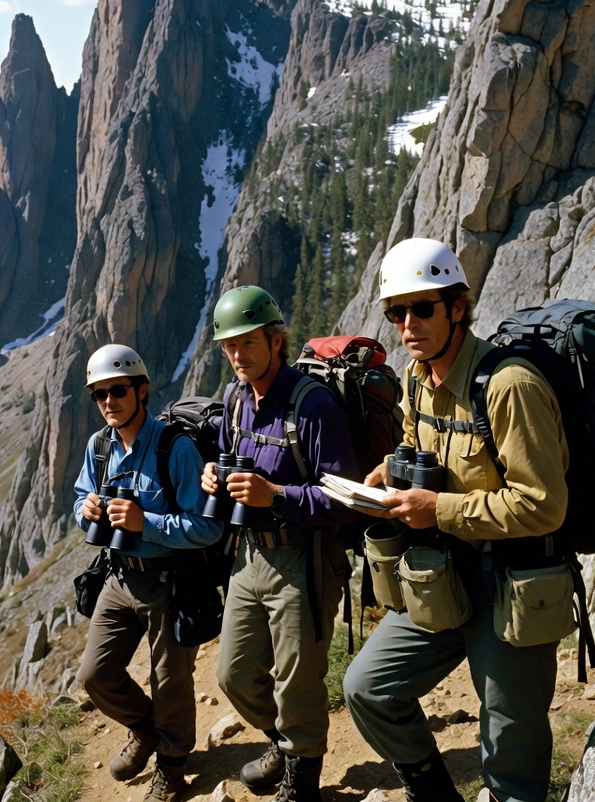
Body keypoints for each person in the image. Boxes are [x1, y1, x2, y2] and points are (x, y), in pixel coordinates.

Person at [343, 238, 569, 802]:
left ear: (457, 308)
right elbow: (419, 449)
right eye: (398, 312)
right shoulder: (419, 379)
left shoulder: (509, 386)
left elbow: (544, 505)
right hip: (442, 578)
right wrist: (387, 473)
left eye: (423, 308)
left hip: (511, 586)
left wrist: (438, 509)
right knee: (368, 687)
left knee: (509, 745)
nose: (408, 324)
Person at [199, 285, 360, 802]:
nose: (238, 356)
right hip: (250, 555)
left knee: (297, 681)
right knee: (234, 674)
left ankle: (302, 781)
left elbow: (345, 497)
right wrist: (213, 476)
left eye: (247, 343)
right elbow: (229, 453)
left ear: (275, 339)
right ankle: (285, 744)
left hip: (304, 557)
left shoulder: (312, 407)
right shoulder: (235, 399)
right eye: (229, 346)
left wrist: (278, 495)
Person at [73, 344, 223, 802]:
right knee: (95, 675)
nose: (108, 402)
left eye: (117, 391)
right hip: (118, 578)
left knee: (170, 682)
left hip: (167, 581)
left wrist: (146, 524)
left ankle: (173, 766)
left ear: (141, 390)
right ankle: (145, 730)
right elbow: (80, 498)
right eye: (99, 394)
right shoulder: (99, 447)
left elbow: (208, 527)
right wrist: (89, 510)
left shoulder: (172, 448)